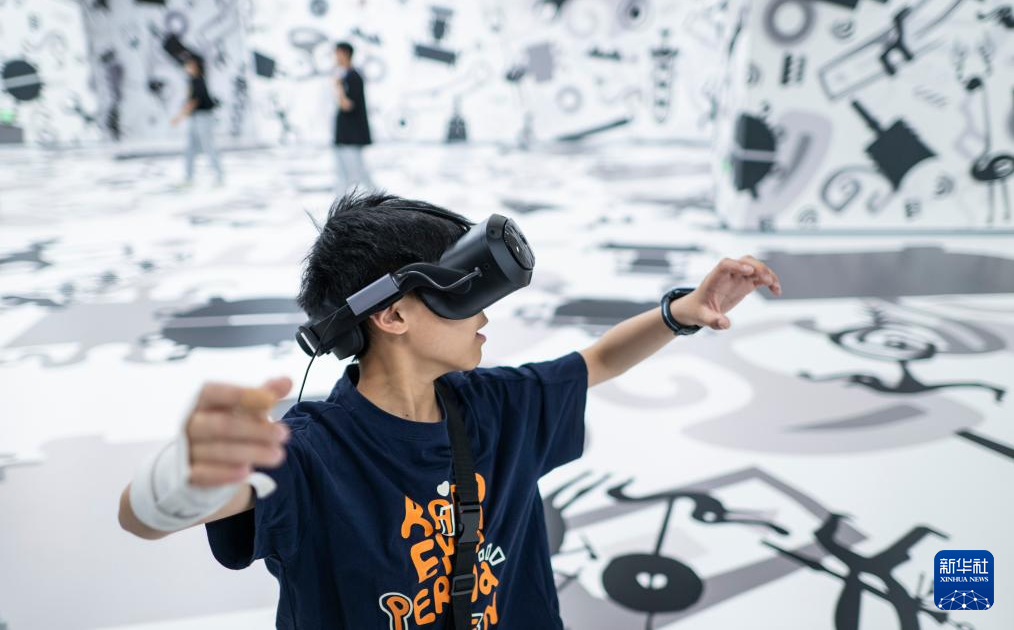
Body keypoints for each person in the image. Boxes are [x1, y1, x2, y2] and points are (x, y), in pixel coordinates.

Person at [117, 191, 782, 628]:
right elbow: (140, 519)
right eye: (465, 297)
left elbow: (599, 360)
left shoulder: (498, 407)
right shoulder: (311, 455)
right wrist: (189, 471)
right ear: (394, 314)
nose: (485, 315)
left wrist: (682, 312)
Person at [171, 53, 224, 187]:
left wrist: (179, 117)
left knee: (208, 146)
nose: (186, 66)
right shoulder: (193, 80)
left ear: (195, 66)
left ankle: (219, 177)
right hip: (195, 117)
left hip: (204, 117)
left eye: (189, 64)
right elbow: (191, 102)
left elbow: (194, 102)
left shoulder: (199, 80)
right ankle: (189, 178)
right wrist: (183, 114)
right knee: (190, 148)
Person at [333, 41, 373, 191]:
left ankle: (382, 202)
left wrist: (339, 87)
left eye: (337, 53)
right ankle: (340, 203)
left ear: (345, 54)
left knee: (359, 174)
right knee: (343, 176)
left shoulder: (353, 77)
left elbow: (347, 105)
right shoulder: (346, 76)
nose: (335, 57)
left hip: (352, 137)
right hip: (344, 136)